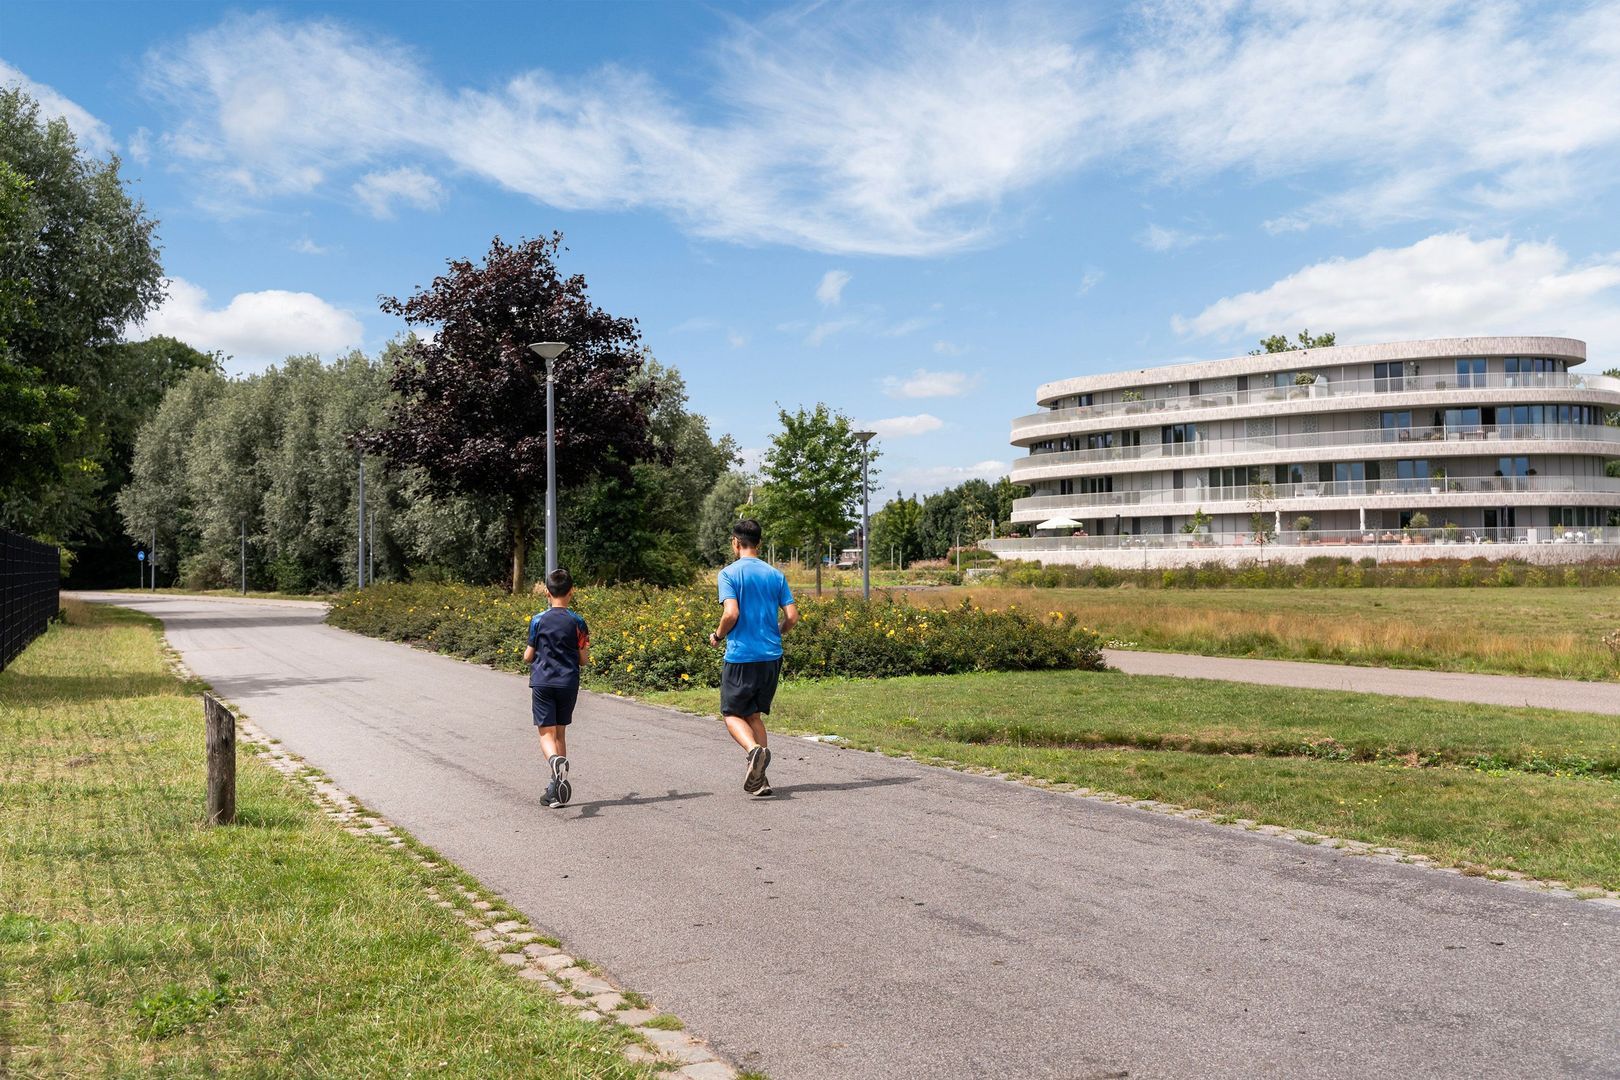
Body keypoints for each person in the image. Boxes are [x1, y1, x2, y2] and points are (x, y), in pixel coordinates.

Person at [709, 519, 799, 797]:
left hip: (742, 656)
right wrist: (778, 632)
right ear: (759, 543)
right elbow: (792, 617)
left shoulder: (729, 574)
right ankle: (761, 780)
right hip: (771, 656)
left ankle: (753, 751)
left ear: (735, 543)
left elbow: (731, 614)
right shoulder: (775, 575)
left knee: (731, 714)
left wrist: (718, 636)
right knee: (753, 715)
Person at [524, 567, 590, 809]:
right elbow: (583, 659)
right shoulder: (578, 622)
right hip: (568, 683)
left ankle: (554, 762)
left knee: (546, 734)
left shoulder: (538, 620)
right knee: (560, 733)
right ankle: (556, 788)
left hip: (543, 681)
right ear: (571, 592)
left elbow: (528, 656)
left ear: (546, 593)